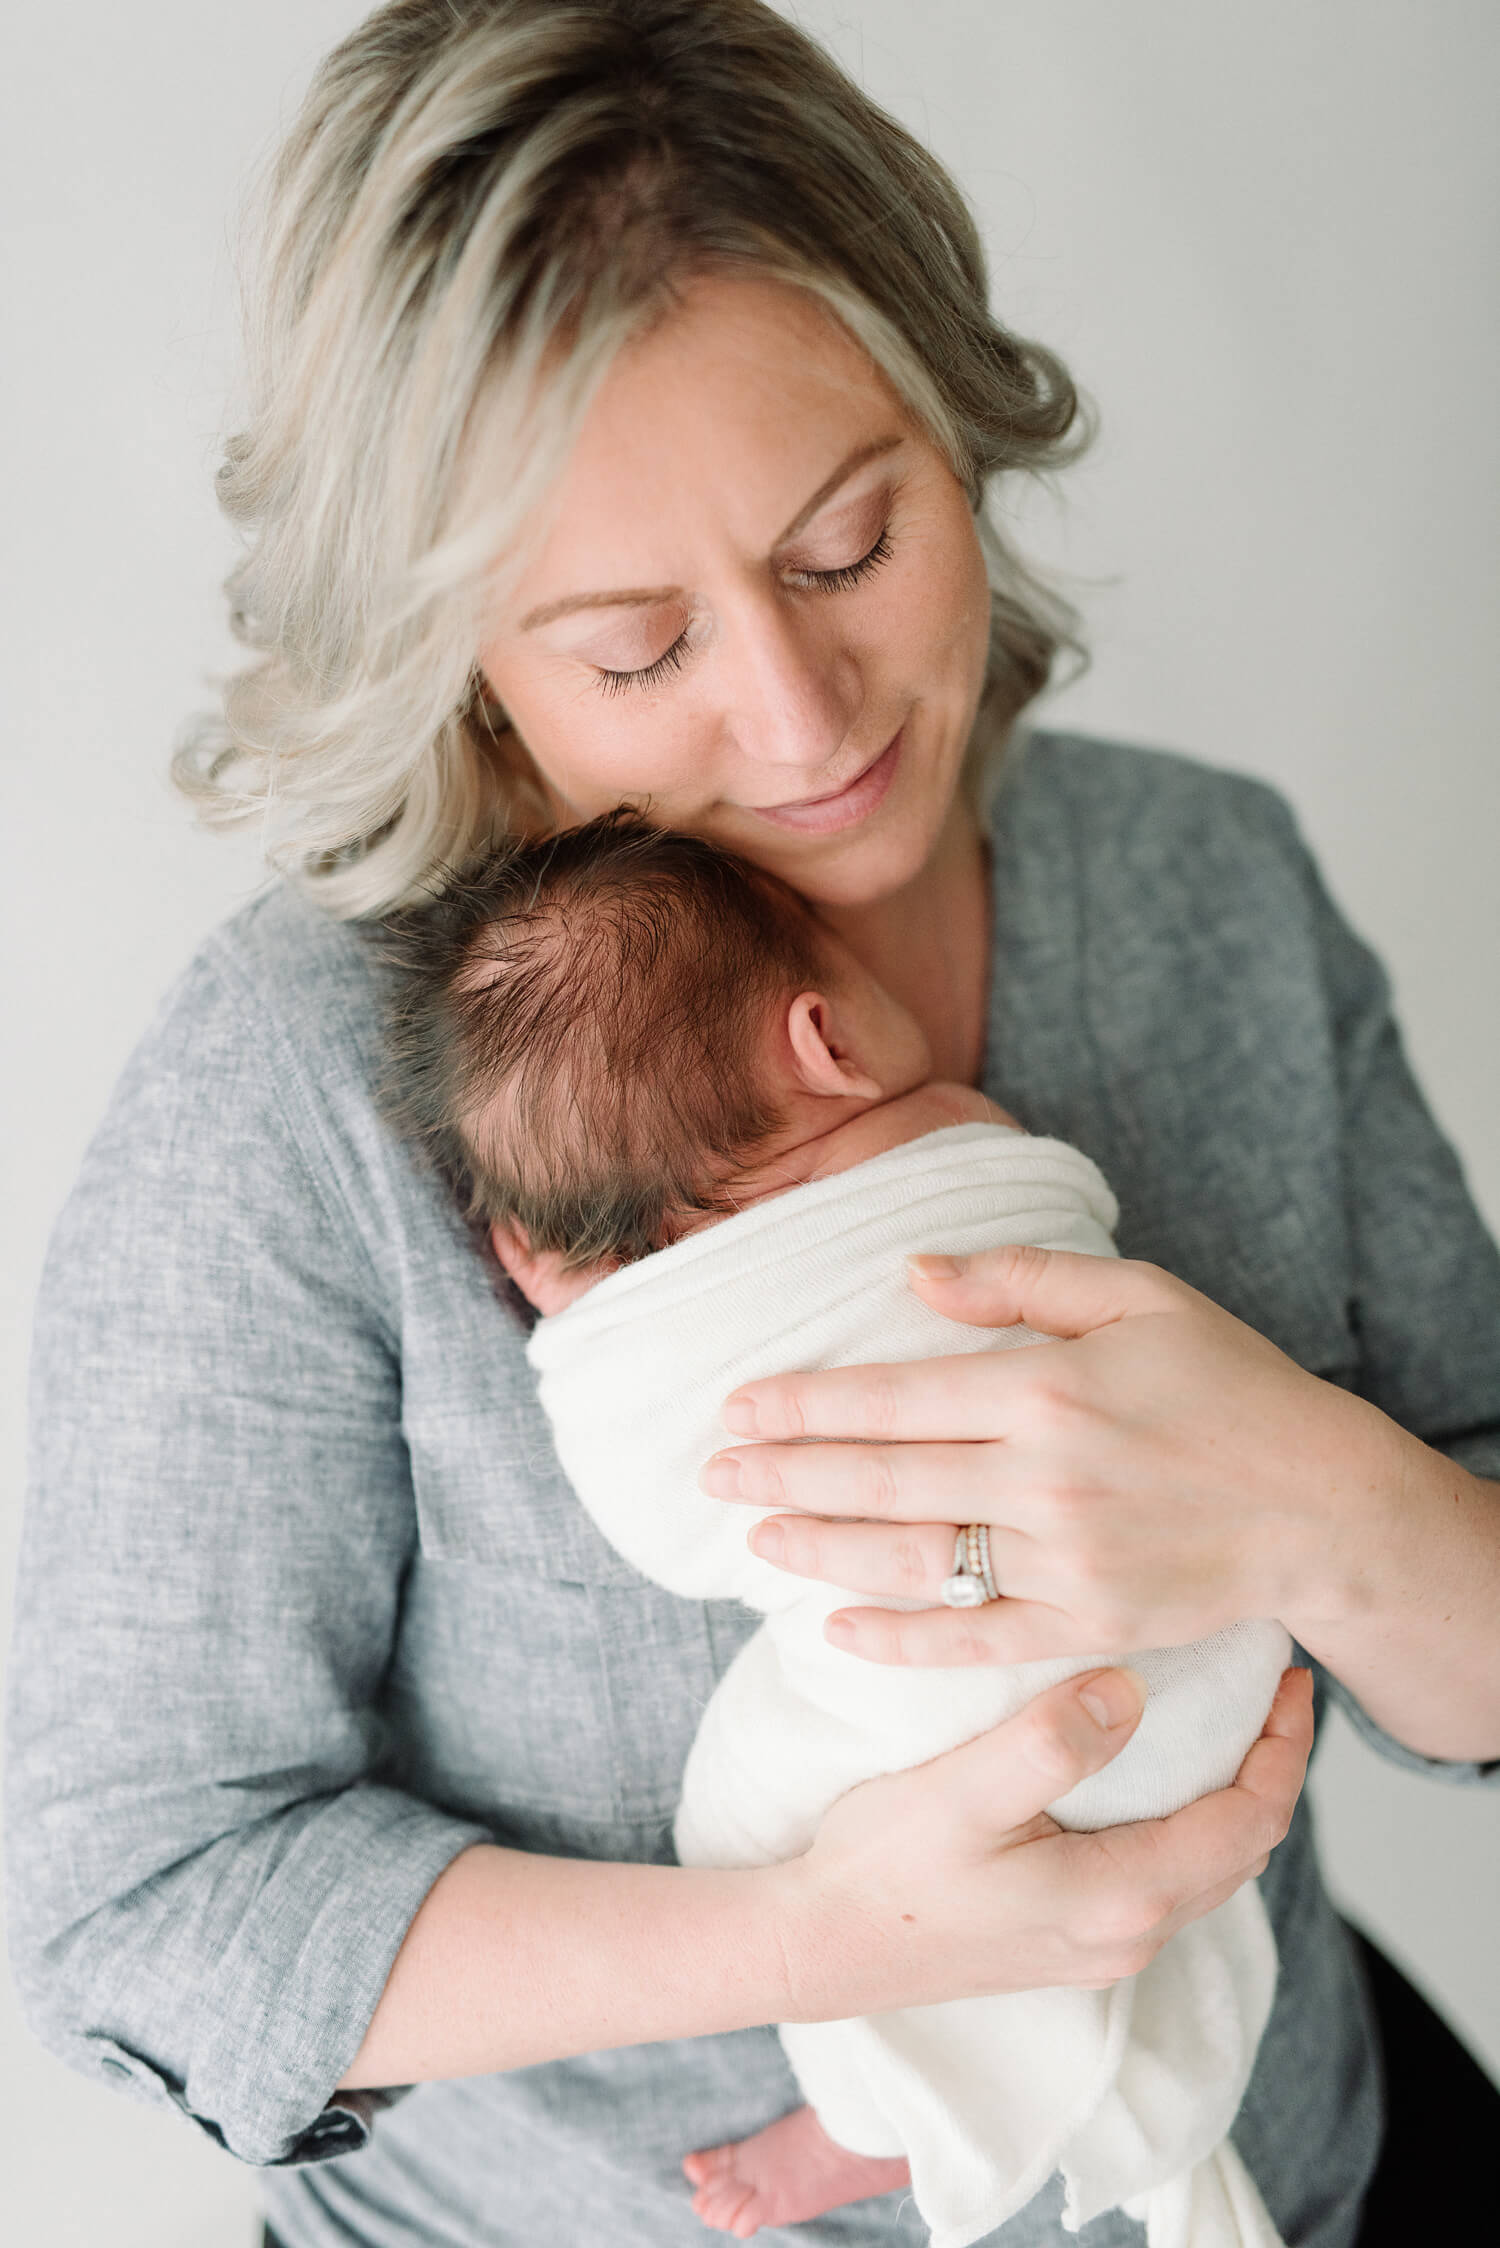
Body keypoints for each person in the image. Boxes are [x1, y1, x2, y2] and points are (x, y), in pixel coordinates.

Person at [4, 5, 1496, 2247]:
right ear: (461, 655)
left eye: (847, 542)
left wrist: (1316, 1491)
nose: (801, 721)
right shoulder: (308, 1080)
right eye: (632, 647)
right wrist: (827, 1936)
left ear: (959, 426)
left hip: (1305, 2178)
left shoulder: (1208, 888)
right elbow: (141, 1897)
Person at [380, 805, 1293, 2246]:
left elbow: (675, 1537)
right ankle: (1121, 2103)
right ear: (829, 1043)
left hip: (937, 1703)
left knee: (745, 1812)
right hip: (1215, 1665)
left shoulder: (644, 1356)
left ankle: (880, 2118)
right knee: (1141, 1879)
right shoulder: (973, 1151)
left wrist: (579, 1315)